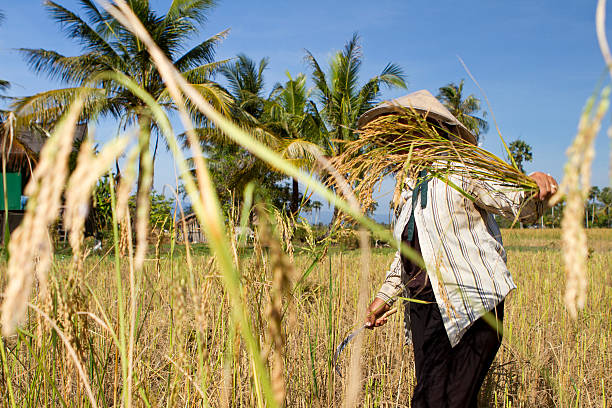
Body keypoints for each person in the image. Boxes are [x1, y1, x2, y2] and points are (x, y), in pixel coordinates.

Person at [359, 90, 557, 408]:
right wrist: (382, 298)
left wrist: (534, 187)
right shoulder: (407, 190)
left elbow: (516, 204)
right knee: (428, 397)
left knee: (448, 400)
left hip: (472, 301)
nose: (399, 141)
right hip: (422, 307)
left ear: (433, 130)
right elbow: (407, 252)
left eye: (406, 131)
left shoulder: (464, 169)